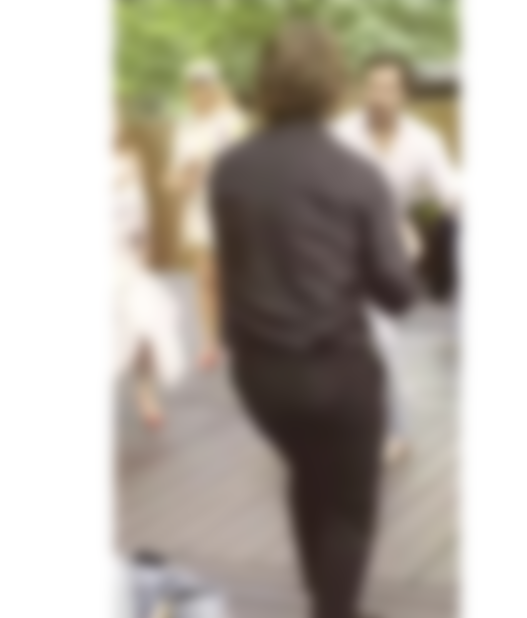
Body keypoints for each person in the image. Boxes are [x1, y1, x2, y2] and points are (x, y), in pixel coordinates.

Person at [210, 24, 419, 618]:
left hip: (260, 379)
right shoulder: (357, 174)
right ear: (334, 84)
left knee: (308, 472)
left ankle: (324, 601)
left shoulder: (230, 169)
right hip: (338, 376)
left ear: (266, 82)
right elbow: (397, 295)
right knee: (348, 510)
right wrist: (407, 246)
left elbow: (231, 270)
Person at [332, 52, 461, 464]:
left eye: (388, 88)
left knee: (383, 338)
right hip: (334, 248)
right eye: (372, 87)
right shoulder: (339, 134)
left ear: (405, 94)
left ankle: (394, 429)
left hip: (388, 251)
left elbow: (450, 190)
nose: (378, 96)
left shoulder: (424, 141)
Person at [168, 59, 247, 371]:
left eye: (206, 84)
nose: (200, 91)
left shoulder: (233, 120)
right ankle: (210, 343)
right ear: (188, 89)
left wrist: (213, 165)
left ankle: (239, 336)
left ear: (216, 86)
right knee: (206, 278)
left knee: (235, 278)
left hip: (234, 210)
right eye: (195, 85)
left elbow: (245, 161)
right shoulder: (185, 125)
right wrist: (183, 180)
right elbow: (174, 177)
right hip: (200, 212)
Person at [113, 122, 185, 431]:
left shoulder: (130, 159)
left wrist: (145, 242)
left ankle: (146, 393)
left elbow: (139, 205)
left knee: (146, 326)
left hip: (127, 259)